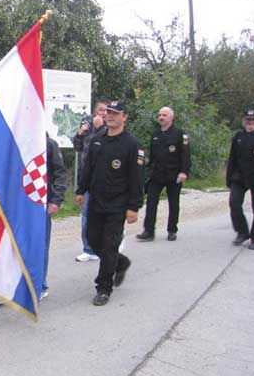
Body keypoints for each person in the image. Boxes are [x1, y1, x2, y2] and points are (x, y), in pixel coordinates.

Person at [75, 100, 144, 306]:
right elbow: (88, 168)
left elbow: (137, 178)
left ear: (125, 117)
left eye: (115, 113)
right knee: (92, 240)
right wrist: (81, 190)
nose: (110, 116)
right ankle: (120, 262)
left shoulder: (132, 144)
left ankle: (103, 288)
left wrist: (134, 207)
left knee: (109, 244)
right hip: (96, 200)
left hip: (118, 204)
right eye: (109, 112)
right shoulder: (98, 140)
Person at [137, 106, 191, 242]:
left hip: (174, 174)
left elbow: (185, 155)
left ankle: (172, 230)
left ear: (171, 117)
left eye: (164, 115)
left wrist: (184, 172)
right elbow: (152, 156)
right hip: (157, 174)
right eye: (160, 115)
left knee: (173, 203)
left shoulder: (180, 134)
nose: (161, 117)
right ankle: (149, 231)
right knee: (151, 202)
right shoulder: (155, 134)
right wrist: (148, 171)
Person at [72, 98, 108, 262]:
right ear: (95, 111)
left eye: (106, 110)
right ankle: (88, 249)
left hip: (105, 179)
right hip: (87, 177)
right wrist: (81, 132)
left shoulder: (110, 128)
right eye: (101, 110)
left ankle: (107, 244)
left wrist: (100, 127)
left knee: (105, 215)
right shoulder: (87, 124)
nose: (104, 113)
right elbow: (77, 147)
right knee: (86, 214)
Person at [226, 107, 254, 250]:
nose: (250, 122)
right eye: (248, 119)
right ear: (244, 121)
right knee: (234, 203)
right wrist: (229, 178)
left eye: (253, 119)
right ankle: (242, 232)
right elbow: (232, 159)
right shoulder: (238, 136)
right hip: (239, 177)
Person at [43, 133, 67, 299]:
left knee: (40, 246)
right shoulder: (16, 140)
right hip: (19, 205)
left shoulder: (49, 144)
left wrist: (56, 200)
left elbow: (60, 173)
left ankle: (39, 284)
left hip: (42, 203)